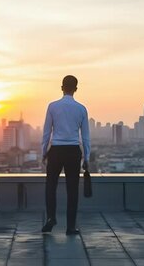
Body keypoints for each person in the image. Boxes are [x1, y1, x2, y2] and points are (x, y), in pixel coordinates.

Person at [41, 75, 90, 235]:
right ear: (76, 89)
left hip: (56, 150)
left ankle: (51, 217)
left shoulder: (52, 106)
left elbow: (46, 132)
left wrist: (43, 153)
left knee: (50, 186)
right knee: (72, 189)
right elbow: (86, 137)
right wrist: (87, 157)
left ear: (62, 87)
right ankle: (70, 226)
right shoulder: (81, 109)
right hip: (73, 151)